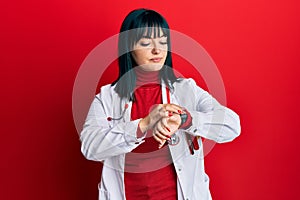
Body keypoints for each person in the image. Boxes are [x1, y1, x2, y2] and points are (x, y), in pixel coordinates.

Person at [80, 8, 241, 200]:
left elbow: (232, 126)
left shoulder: (187, 89)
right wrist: (143, 125)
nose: (157, 50)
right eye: (146, 42)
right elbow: (90, 148)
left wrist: (186, 119)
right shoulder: (107, 97)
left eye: (163, 41)